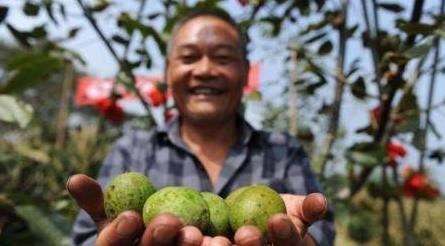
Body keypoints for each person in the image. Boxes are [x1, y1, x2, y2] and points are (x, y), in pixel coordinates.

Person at [68, 9, 335, 246]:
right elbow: (88, 236)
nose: (205, 69)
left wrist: (304, 241)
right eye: (189, 57)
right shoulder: (131, 149)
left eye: (222, 58)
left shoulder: (284, 150)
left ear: (245, 72)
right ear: (168, 71)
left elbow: (321, 233)